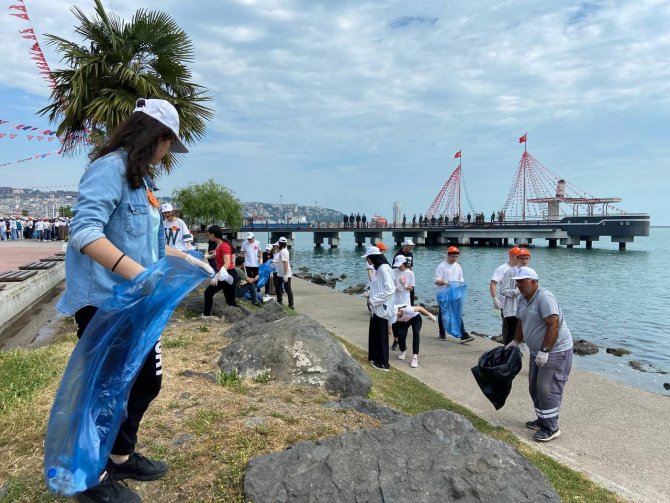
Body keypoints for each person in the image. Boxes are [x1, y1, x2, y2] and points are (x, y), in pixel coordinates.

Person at [55, 98, 214, 503]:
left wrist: (193, 262)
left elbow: (155, 247)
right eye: (168, 146)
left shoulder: (141, 182)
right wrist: (140, 275)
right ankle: (86, 481)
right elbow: (85, 233)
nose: (167, 155)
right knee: (104, 391)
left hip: (137, 303)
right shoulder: (108, 170)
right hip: (106, 303)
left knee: (145, 381)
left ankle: (120, 455)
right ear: (155, 138)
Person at [506, 267, 573, 442]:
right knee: (534, 387)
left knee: (547, 389)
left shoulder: (545, 298)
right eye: (517, 282)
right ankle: (543, 419)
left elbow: (553, 325)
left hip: (555, 351)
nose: (519, 285)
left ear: (534, 282)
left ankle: (552, 427)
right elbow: (521, 321)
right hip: (537, 351)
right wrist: (516, 341)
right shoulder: (523, 299)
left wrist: (545, 351)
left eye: (522, 281)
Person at [363, 246, 395, 371]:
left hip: (381, 306)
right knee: (375, 333)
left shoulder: (383, 269)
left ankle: (383, 363)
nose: (367, 260)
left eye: (368, 258)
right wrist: (370, 295)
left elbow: (390, 289)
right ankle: (374, 358)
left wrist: (374, 300)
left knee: (381, 335)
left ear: (373, 257)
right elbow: (377, 286)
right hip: (376, 306)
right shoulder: (378, 269)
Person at [434, 246, 475, 343]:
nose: (454, 259)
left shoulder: (458, 267)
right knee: (443, 313)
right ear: (448, 255)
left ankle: (463, 335)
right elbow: (436, 281)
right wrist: (445, 282)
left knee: (457, 313)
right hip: (443, 293)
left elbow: (461, 280)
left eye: (456, 257)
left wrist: (462, 286)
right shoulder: (442, 266)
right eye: (452, 256)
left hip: (455, 293)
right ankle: (442, 332)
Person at [500, 248, 531, 345]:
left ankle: (513, 355)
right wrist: (518, 291)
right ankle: (507, 356)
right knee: (511, 335)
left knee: (521, 335)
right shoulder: (510, 272)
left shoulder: (530, 272)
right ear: (517, 259)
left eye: (526, 258)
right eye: (521, 258)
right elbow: (503, 291)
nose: (524, 261)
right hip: (512, 310)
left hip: (525, 308)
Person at [203, 225, 237, 313]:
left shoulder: (224, 246)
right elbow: (214, 255)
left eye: (209, 234)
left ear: (213, 234)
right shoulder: (218, 245)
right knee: (208, 293)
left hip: (228, 274)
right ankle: (206, 315)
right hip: (222, 274)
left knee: (230, 301)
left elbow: (227, 263)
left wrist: (217, 276)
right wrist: (203, 256)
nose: (208, 236)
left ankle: (240, 319)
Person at [490, 247, 521, 344]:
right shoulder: (502, 269)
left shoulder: (520, 269)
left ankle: (514, 344)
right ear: (512, 256)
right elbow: (493, 283)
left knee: (517, 324)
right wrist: (494, 298)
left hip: (518, 303)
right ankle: (506, 345)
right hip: (504, 302)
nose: (520, 259)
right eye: (518, 256)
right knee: (506, 324)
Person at [390, 255, 414, 351]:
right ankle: (396, 340)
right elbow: (390, 285)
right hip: (395, 299)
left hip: (405, 300)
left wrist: (404, 285)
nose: (399, 267)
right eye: (397, 265)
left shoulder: (410, 273)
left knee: (404, 323)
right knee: (394, 321)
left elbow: (411, 288)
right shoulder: (393, 272)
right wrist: (395, 288)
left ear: (404, 263)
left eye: (400, 265)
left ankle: (401, 341)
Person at [393, 239, 416, 305]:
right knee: (400, 292)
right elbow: (394, 267)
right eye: (409, 247)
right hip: (399, 274)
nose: (411, 249)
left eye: (412, 247)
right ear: (405, 246)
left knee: (411, 292)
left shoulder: (410, 254)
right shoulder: (398, 254)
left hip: (408, 274)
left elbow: (411, 265)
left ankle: (411, 305)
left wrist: (412, 274)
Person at [275, 236, 294, 308]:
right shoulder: (283, 251)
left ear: (280, 244)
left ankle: (291, 304)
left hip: (285, 274)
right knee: (278, 286)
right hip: (280, 273)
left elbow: (286, 263)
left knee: (287, 289)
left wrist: (285, 275)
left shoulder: (283, 252)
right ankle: (280, 300)